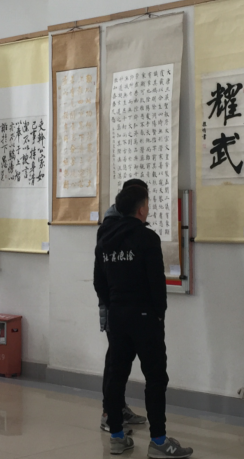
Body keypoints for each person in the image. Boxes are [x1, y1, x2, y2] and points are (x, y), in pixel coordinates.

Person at [94, 185, 193, 458]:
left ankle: (117, 437)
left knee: (116, 376)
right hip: (145, 318)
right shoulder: (147, 238)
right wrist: (159, 314)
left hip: (117, 317)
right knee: (156, 378)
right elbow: (156, 283)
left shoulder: (104, 237)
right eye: (147, 204)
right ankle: (158, 441)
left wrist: (113, 305)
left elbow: (99, 282)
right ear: (141, 209)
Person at [99, 179, 149, 432]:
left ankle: (118, 407)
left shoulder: (120, 220)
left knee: (120, 360)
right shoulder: (112, 224)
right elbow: (102, 272)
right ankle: (109, 414)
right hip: (115, 305)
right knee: (116, 361)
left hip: (123, 304)